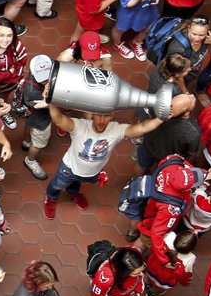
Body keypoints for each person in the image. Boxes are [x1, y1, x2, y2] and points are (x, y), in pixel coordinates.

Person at [44, 92, 194, 218]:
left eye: (107, 116)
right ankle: (50, 199)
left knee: (78, 183)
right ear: (92, 115)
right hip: (69, 169)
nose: (102, 120)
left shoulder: (116, 130)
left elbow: (142, 128)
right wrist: (52, 99)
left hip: (92, 172)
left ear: (112, 115)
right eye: (98, 115)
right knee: (58, 184)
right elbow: (58, 119)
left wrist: (161, 117)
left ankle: (73, 193)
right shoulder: (80, 126)